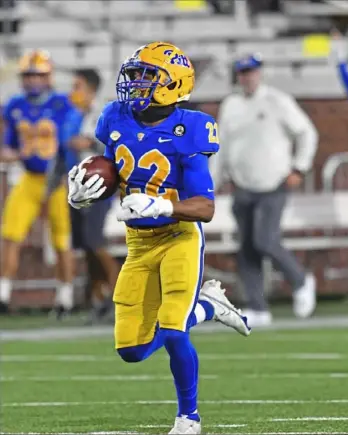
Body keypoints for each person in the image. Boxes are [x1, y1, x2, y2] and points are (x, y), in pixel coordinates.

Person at [66, 42, 250, 435]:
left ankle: (189, 418)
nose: (136, 83)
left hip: (179, 237)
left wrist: (163, 207)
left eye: (147, 76)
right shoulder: (114, 117)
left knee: (173, 331)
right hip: (138, 245)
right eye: (134, 74)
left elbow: (205, 207)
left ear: (173, 83)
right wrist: (88, 187)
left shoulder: (190, 128)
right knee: (130, 351)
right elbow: (114, 169)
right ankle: (209, 308)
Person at [210, 53, 319, 327]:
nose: (248, 77)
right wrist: (212, 183)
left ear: (260, 73)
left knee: (265, 240)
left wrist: (299, 167)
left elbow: (306, 132)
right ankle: (258, 306)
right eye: (243, 72)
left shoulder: (277, 101)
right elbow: (222, 147)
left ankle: (301, 279)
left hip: (273, 183)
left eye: (252, 71)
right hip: (242, 184)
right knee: (247, 248)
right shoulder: (230, 104)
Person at [0, 50, 76, 316]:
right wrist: (8, 153)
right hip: (28, 177)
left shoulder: (62, 104)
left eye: (38, 75)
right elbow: (5, 146)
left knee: (62, 240)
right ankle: (4, 293)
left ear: (48, 77)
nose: (33, 80)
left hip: (56, 180)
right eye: (29, 75)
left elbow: (72, 142)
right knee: (10, 234)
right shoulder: (13, 106)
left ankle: (66, 297)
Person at [65, 68, 120, 322]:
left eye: (78, 86)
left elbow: (115, 143)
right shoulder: (79, 115)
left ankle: (122, 296)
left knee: (95, 242)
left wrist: (88, 144)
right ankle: (99, 300)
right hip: (80, 186)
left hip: (99, 186)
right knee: (86, 246)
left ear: (90, 89)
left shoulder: (103, 113)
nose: (73, 92)